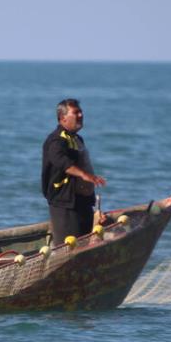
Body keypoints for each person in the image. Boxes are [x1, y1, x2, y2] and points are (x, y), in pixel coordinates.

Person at [41, 98, 106, 245]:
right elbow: (61, 161)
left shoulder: (77, 139)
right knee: (69, 247)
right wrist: (85, 175)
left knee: (86, 245)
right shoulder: (56, 140)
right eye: (76, 112)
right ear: (63, 118)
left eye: (81, 112)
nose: (81, 115)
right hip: (65, 205)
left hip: (83, 202)